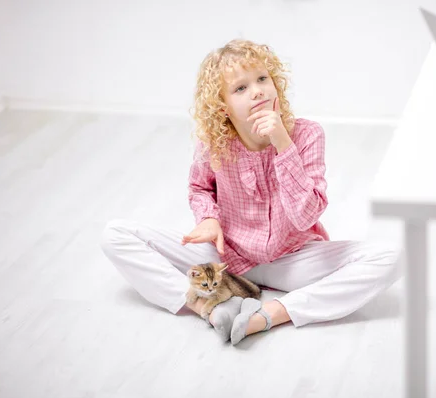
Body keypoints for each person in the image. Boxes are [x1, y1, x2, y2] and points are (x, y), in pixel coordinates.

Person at [101, 39, 403, 345]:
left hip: (292, 258)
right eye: (240, 88)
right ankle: (209, 306)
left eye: (262, 79)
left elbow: (305, 215)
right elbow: (200, 187)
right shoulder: (214, 143)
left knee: (392, 256)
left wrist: (282, 142)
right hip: (226, 257)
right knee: (115, 234)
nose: (257, 90)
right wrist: (208, 218)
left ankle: (271, 313)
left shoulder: (307, 134)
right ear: (223, 106)